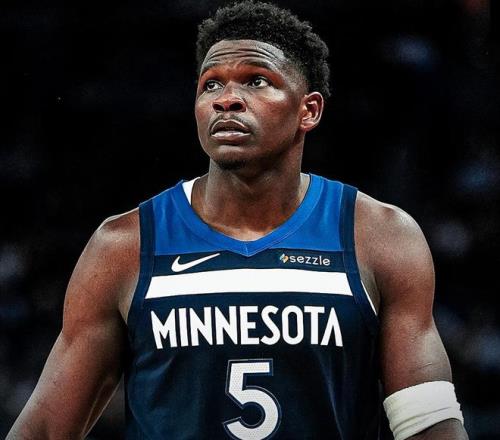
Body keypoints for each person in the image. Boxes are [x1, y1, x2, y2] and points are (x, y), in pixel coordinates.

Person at [8, 2, 468, 439]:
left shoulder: (379, 235)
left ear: (308, 111)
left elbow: (428, 424)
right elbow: (46, 429)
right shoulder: (125, 245)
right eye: (211, 85)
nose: (227, 99)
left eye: (256, 81)